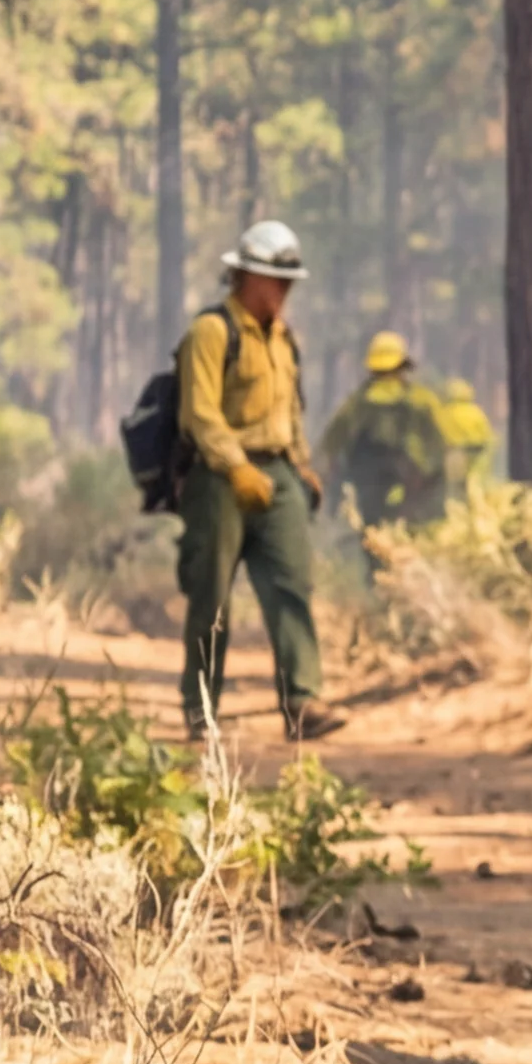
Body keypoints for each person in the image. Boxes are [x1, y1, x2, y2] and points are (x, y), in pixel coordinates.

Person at [172, 219, 342, 747]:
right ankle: (201, 709)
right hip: (219, 477)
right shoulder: (211, 331)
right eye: (276, 280)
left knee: (293, 586)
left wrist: (301, 464)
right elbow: (200, 413)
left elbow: (291, 409)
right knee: (212, 599)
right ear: (246, 277)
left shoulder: (284, 338)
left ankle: (303, 702)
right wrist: (235, 466)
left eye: (289, 282)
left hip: (278, 473)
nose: (284, 291)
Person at [317, 331, 458, 529]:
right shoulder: (421, 399)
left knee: (370, 528)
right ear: (402, 366)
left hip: (369, 485)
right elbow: (444, 440)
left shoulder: (357, 402)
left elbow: (331, 442)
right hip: (413, 483)